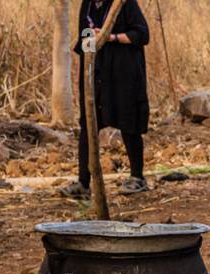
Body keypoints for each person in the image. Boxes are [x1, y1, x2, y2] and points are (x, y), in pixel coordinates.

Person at [60, 0, 152, 198]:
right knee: (88, 125)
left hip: (124, 73)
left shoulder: (124, 4)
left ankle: (137, 177)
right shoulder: (88, 5)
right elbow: (84, 38)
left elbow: (142, 35)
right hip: (96, 73)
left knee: (129, 123)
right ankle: (83, 183)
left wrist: (109, 36)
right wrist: (91, 38)